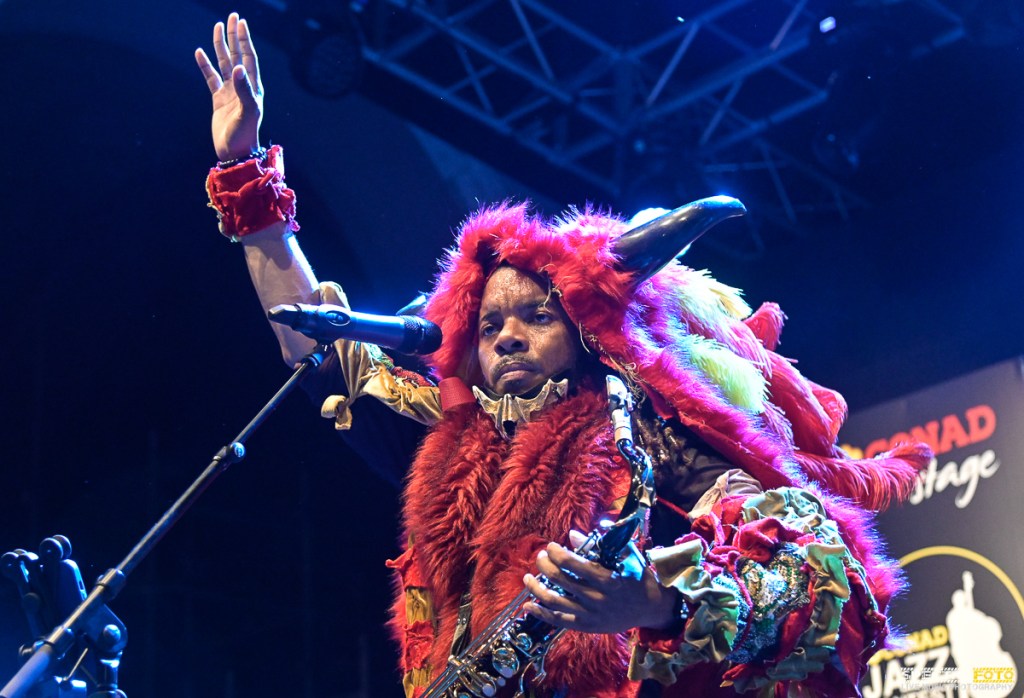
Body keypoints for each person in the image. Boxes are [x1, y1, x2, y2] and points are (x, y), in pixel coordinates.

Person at [195, 13, 933, 697]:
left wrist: (658, 602)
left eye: (537, 317)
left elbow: (805, 561)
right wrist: (247, 181)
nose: (508, 336)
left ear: (583, 332)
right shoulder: (446, 435)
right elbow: (313, 348)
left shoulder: (639, 430)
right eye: (489, 325)